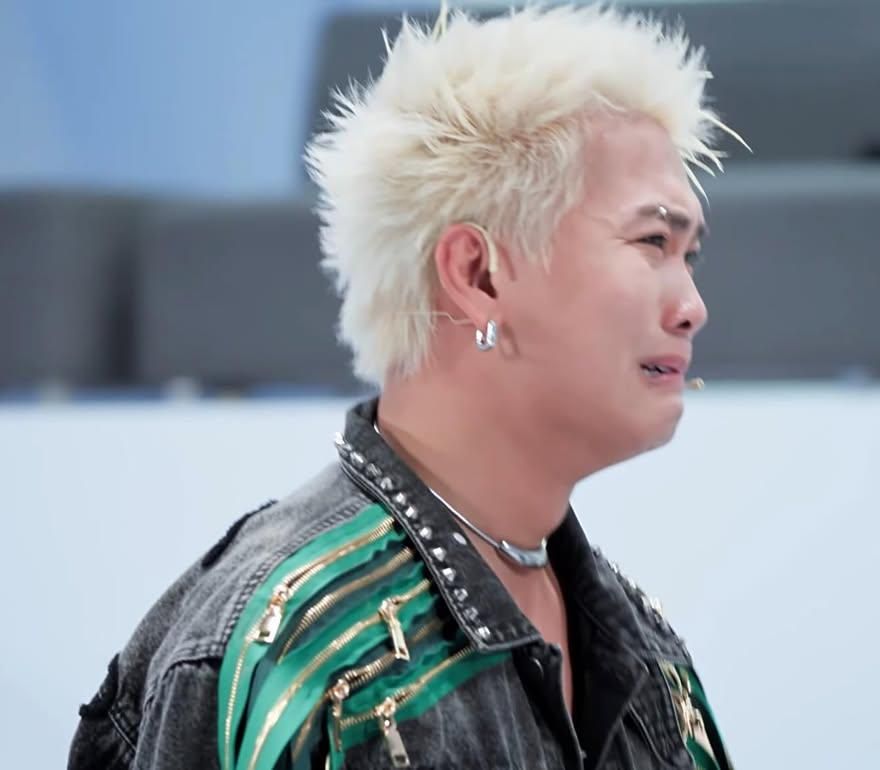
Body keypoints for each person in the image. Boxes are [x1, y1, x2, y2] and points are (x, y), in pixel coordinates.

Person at [69, 4, 744, 769]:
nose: (692, 307)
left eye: (689, 254)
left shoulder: (647, 658)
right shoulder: (289, 662)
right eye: (652, 241)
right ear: (477, 274)